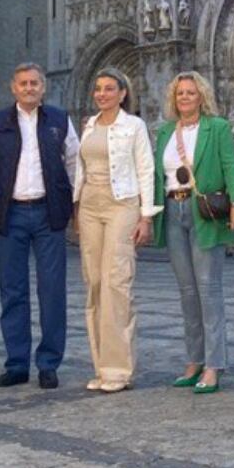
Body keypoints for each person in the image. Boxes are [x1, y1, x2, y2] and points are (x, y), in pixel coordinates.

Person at [0, 63, 80, 389]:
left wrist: (73, 207)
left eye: (34, 83)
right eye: (23, 83)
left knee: (52, 291)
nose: (28, 88)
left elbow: (73, 164)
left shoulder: (59, 120)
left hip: (47, 212)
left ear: (43, 87)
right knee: (13, 291)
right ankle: (17, 363)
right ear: (13, 87)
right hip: (10, 214)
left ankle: (49, 363)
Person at [151, 72, 234, 395]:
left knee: (208, 290)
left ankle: (213, 365)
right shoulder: (165, 131)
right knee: (187, 292)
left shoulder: (216, 127)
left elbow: (230, 165)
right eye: (180, 94)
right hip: (173, 210)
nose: (185, 98)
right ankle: (193, 360)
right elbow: (156, 174)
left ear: (201, 96)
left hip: (203, 211)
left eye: (191, 93)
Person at [73, 72, 154, 393]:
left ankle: (119, 370)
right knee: (93, 283)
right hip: (90, 206)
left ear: (123, 94)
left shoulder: (134, 126)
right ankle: (101, 366)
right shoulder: (89, 125)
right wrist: (76, 209)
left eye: (109, 89)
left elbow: (145, 169)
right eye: (98, 89)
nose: (102, 94)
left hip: (122, 204)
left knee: (116, 282)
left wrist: (146, 217)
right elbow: (79, 167)